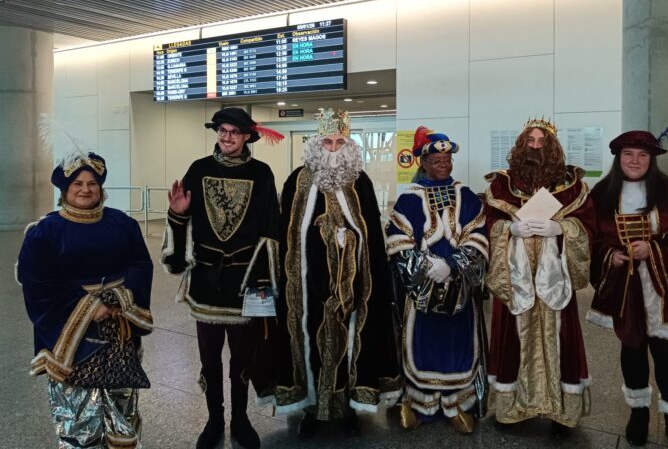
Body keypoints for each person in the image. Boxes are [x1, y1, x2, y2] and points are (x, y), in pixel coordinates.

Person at [275, 108, 400, 438]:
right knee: (309, 345)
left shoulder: (361, 182)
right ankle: (312, 408)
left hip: (353, 284)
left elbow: (370, 232)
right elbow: (287, 234)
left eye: (339, 142)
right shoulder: (297, 181)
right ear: (317, 144)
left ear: (349, 145)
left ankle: (346, 409)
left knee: (350, 344)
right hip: (306, 286)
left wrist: (349, 240)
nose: (333, 149)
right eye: (327, 142)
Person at [161, 107, 282, 449]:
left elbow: (271, 229)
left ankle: (240, 420)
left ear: (247, 137)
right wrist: (177, 213)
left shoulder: (261, 173)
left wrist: (265, 282)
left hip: (247, 282)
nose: (227, 137)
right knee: (209, 358)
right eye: (222, 131)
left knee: (243, 358)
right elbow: (182, 218)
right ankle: (214, 419)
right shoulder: (199, 169)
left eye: (234, 132)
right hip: (205, 281)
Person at [17, 152, 154, 449]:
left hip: (119, 332)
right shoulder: (45, 232)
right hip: (70, 339)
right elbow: (38, 284)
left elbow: (141, 265)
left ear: (101, 187)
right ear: (65, 189)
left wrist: (122, 297)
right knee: (77, 411)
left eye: (92, 183)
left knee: (123, 406)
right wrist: (90, 307)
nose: (85, 189)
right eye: (77, 183)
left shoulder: (123, 224)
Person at [586, 130, 668, 449]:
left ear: (652, 159)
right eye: (628, 154)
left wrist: (654, 251)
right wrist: (610, 256)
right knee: (631, 349)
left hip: (663, 290)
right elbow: (589, 240)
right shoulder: (600, 195)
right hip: (624, 289)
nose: (635, 160)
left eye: (642, 155)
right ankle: (638, 413)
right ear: (618, 157)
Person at [483, 118, 593, 437]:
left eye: (541, 141)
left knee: (561, 337)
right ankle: (513, 407)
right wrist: (508, 229)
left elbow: (590, 225)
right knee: (512, 338)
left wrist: (562, 229)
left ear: (552, 146)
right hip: (514, 277)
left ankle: (560, 411)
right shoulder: (501, 185)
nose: (535, 146)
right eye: (529, 141)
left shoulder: (571, 185)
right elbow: (486, 222)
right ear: (520, 145)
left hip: (554, 278)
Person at [385, 126, 488, 434]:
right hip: (422, 289)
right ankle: (418, 404)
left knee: (458, 345)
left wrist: (454, 265)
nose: (443, 164)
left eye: (447, 159)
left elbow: (478, 237)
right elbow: (397, 240)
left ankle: (457, 405)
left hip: (460, 289)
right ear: (424, 163)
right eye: (436, 160)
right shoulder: (408, 200)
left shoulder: (467, 197)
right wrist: (425, 265)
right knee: (419, 343)